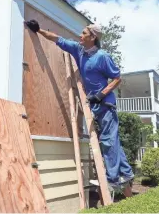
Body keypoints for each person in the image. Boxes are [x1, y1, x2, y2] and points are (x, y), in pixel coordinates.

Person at [24, 19, 134, 192]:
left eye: (84, 33)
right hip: (96, 104)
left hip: (106, 105)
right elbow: (57, 39)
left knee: (107, 140)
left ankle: (113, 179)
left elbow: (117, 78)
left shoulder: (102, 57)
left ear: (93, 37)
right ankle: (126, 173)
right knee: (112, 140)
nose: (80, 36)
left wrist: (101, 94)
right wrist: (38, 30)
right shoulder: (79, 50)